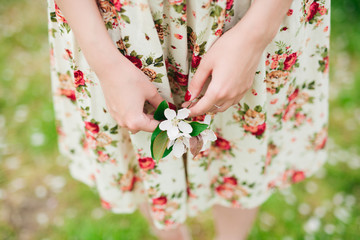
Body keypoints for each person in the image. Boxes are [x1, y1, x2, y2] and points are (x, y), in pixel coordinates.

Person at [47, 0, 330, 239]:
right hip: (118, 24)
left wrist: (256, 33)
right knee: (140, 147)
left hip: (250, 12)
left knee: (242, 143)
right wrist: (105, 61)